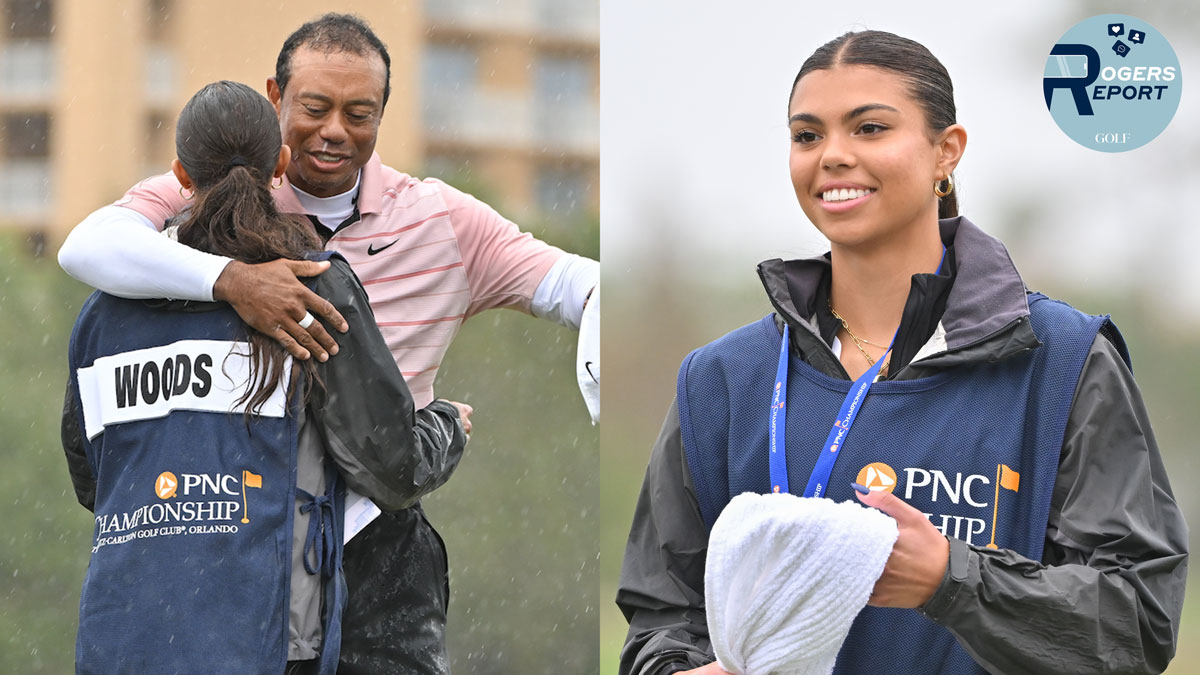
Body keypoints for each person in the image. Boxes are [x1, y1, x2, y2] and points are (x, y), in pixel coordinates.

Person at [617, 30, 1187, 675]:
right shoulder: (722, 378)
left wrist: (951, 580)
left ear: (946, 152)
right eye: (808, 136)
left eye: (869, 128)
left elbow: (1135, 622)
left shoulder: (1062, 361)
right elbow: (661, 615)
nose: (832, 155)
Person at [56, 13, 597, 674]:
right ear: (274, 105)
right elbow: (84, 245)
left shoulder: (444, 218)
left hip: (342, 555)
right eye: (315, 107)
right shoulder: (220, 192)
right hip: (245, 554)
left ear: (381, 115)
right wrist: (234, 283)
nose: (336, 129)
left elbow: (579, 284)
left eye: (360, 113)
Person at [62, 81, 468, 674]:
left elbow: (93, 478)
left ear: (179, 174)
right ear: (280, 164)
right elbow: (388, 465)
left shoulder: (102, 314)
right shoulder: (313, 284)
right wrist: (445, 426)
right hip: (271, 645)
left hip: (124, 639)